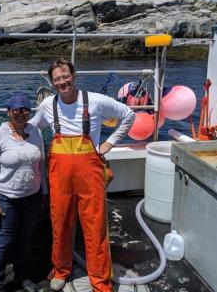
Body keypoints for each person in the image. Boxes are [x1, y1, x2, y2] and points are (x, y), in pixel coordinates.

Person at [30, 58, 135, 292]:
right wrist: (10, 133)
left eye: (65, 76)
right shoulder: (48, 105)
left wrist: (108, 144)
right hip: (61, 178)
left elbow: (129, 115)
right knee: (60, 224)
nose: (61, 82)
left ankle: (100, 280)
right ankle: (60, 270)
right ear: (52, 81)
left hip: (90, 176)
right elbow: (33, 126)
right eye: (57, 78)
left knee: (95, 227)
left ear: (74, 76)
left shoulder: (95, 101)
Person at [0, 93, 48, 292]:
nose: (21, 113)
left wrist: (44, 193)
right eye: (16, 110)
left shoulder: (36, 132)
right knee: (3, 243)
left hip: (32, 198)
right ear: (8, 112)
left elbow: (42, 165)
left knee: (25, 241)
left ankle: (22, 277)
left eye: (25, 109)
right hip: (6, 200)